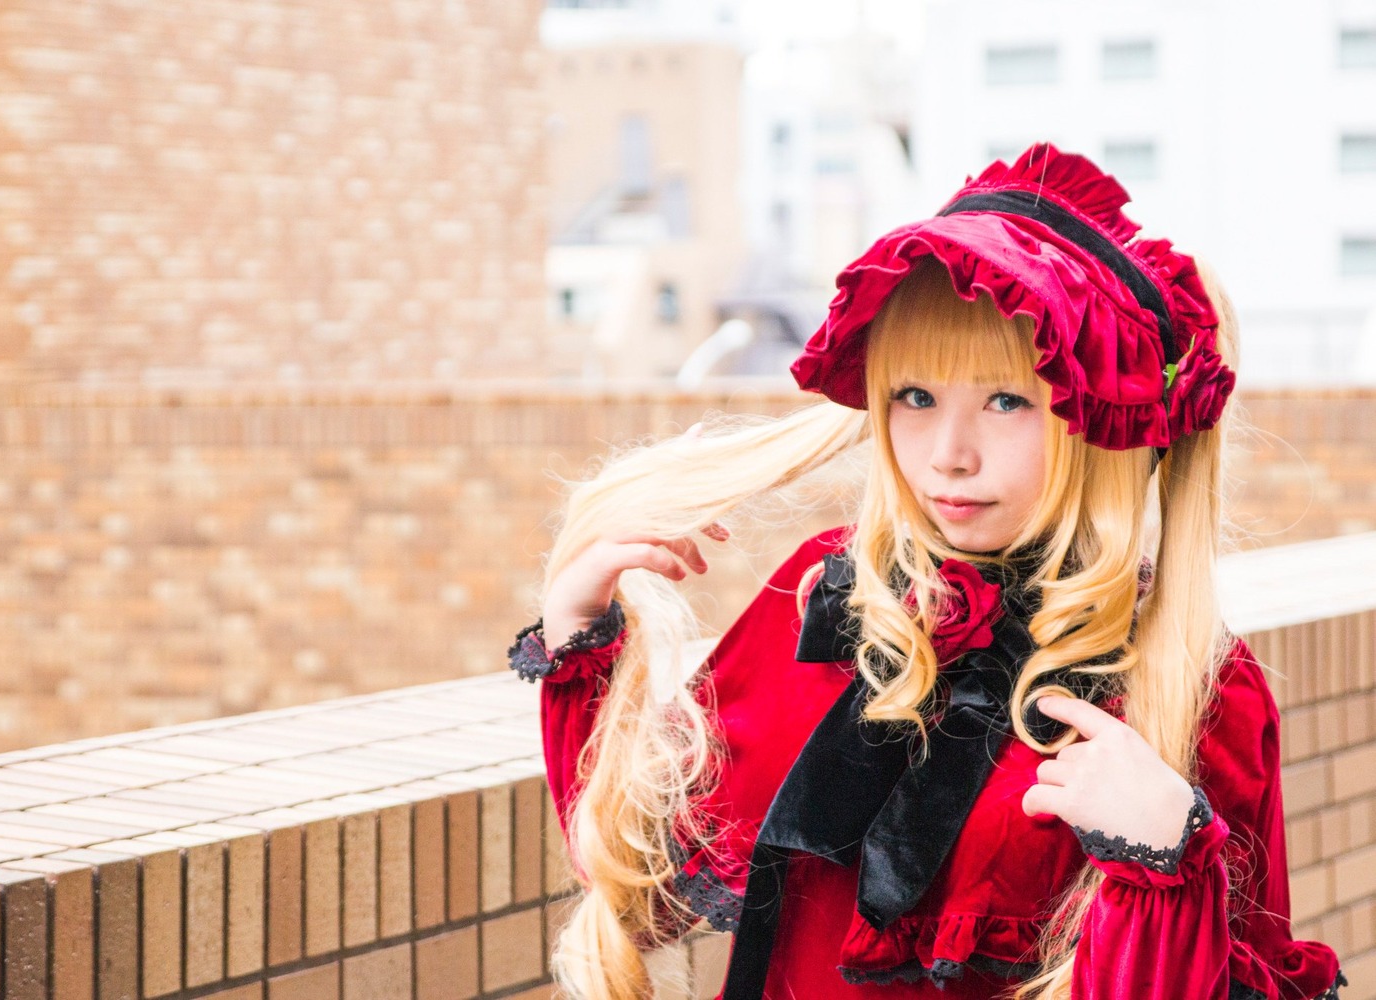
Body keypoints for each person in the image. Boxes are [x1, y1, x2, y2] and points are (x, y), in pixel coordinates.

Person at [508, 143, 1345, 999]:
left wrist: (1163, 860)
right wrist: (582, 639)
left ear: (1097, 418)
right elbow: (649, 895)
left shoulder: (1189, 683)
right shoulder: (828, 595)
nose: (947, 456)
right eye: (915, 396)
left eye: (1008, 400)